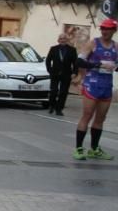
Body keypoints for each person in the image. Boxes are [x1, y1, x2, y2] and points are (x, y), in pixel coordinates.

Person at [73, 18, 116, 160]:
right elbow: (79, 61)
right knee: (87, 115)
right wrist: (97, 65)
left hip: (106, 85)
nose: (104, 31)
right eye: (103, 28)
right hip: (92, 84)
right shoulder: (93, 43)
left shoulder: (116, 46)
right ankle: (79, 149)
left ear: (113, 31)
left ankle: (94, 149)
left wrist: (114, 66)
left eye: (108, 29)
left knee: (100, 118)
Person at [46, 32, 77, 116]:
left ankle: (59, 109)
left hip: (66, 74)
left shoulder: (72, 50)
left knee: (63, 92)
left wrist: (74, 72)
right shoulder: (53, 49)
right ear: (58, 40)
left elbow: (75, 63)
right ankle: (52, 105)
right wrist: (50, 70)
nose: (63, 40)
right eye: (61, 39)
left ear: (67, 40)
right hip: (55, 73)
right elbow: (48, 60)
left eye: (64, 39)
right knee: (54, 91)